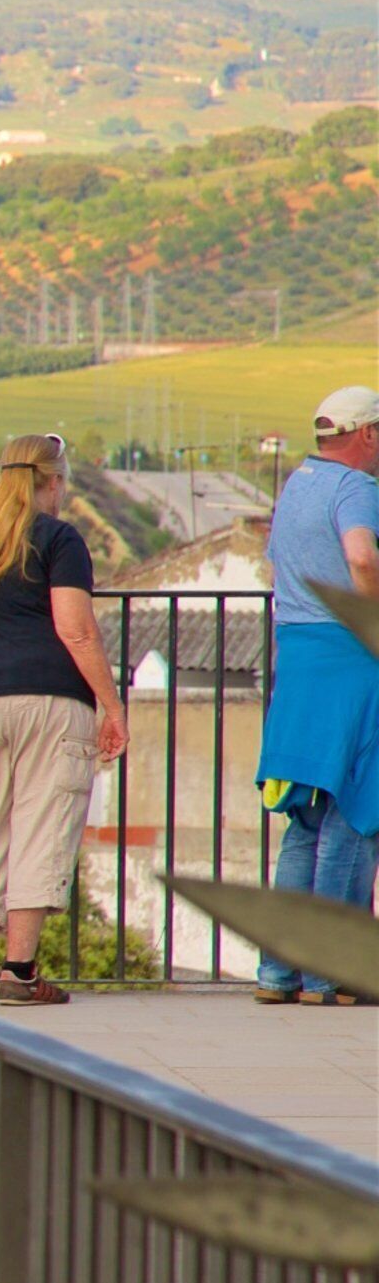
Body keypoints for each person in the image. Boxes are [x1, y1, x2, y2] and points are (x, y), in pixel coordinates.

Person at [0, 435, 129, 1007]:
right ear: (54, 482)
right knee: (42, 825)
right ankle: (18, 972)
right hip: (47, 697)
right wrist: (112, 706)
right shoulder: (60, 538)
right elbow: (76, 630)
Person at [251, 384, 379, 1005]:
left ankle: (279, 974)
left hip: (298, 659)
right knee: (355, 814)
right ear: (368, 434)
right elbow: (362, 558)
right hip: (350, 660)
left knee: (304, 818)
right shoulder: (356, 488)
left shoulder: (297, 485)